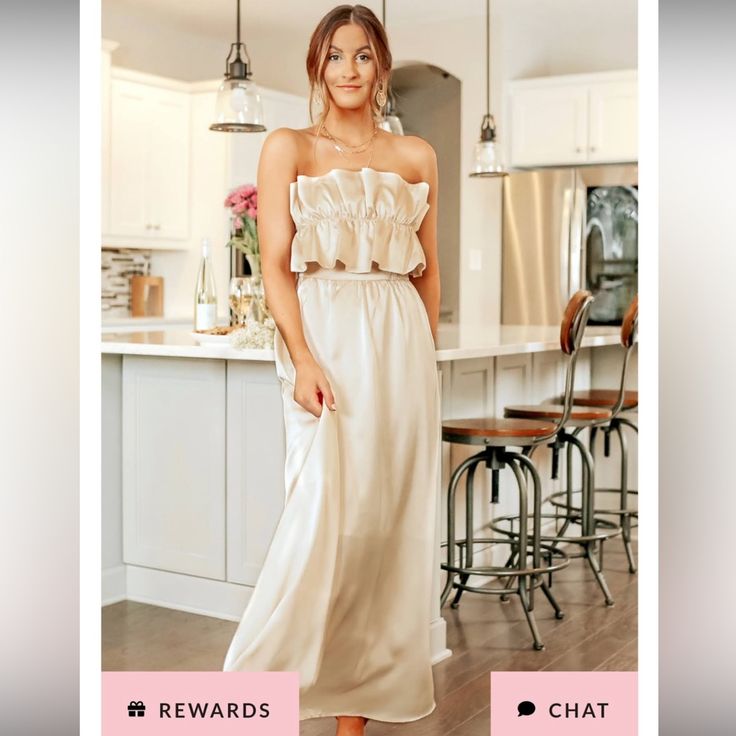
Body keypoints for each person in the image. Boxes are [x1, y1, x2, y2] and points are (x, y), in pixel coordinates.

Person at [222, 5, 441, 735]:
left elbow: (428, 278)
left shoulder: (417, 158)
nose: (349, 70)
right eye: (335, 56)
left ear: (381, 66)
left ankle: (356, 717)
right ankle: (256, 698)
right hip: (324, 345)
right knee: (321, 524)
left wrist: (422, 364)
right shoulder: (288, 148)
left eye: (364, 56)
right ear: (316, 64)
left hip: (399, 346)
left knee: (383, 530)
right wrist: (303, 359)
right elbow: (278, 271)